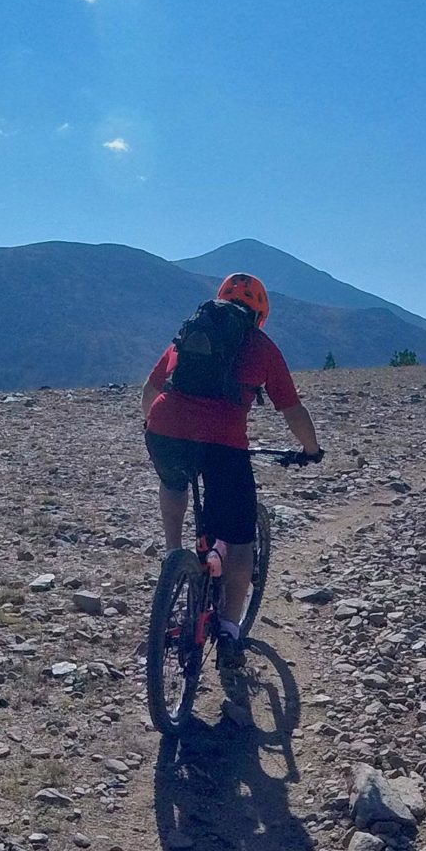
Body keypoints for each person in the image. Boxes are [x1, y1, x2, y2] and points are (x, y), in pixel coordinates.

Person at [142, 272, 322, 652]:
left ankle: (174, 555)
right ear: (260, 314)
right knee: (240, 542)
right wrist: (311, 450)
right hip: (223, 442)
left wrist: (157, 427)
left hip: (164, 429)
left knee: (174, 481)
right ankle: (228, 630)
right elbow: (291, 410)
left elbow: (151, 388)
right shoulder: (260, 345)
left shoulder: (192, 330)